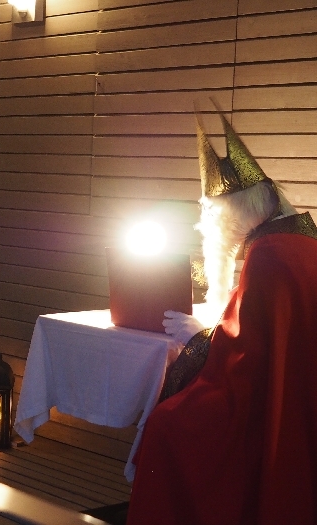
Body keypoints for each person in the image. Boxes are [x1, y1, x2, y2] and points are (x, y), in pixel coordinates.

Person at [126, 108, 317, 524]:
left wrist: (202, 335)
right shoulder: (302, 238)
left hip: (263, 404)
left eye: (213, 214)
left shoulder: (269, 254)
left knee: (166, 427)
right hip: (296, 395)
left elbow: (243, 357)